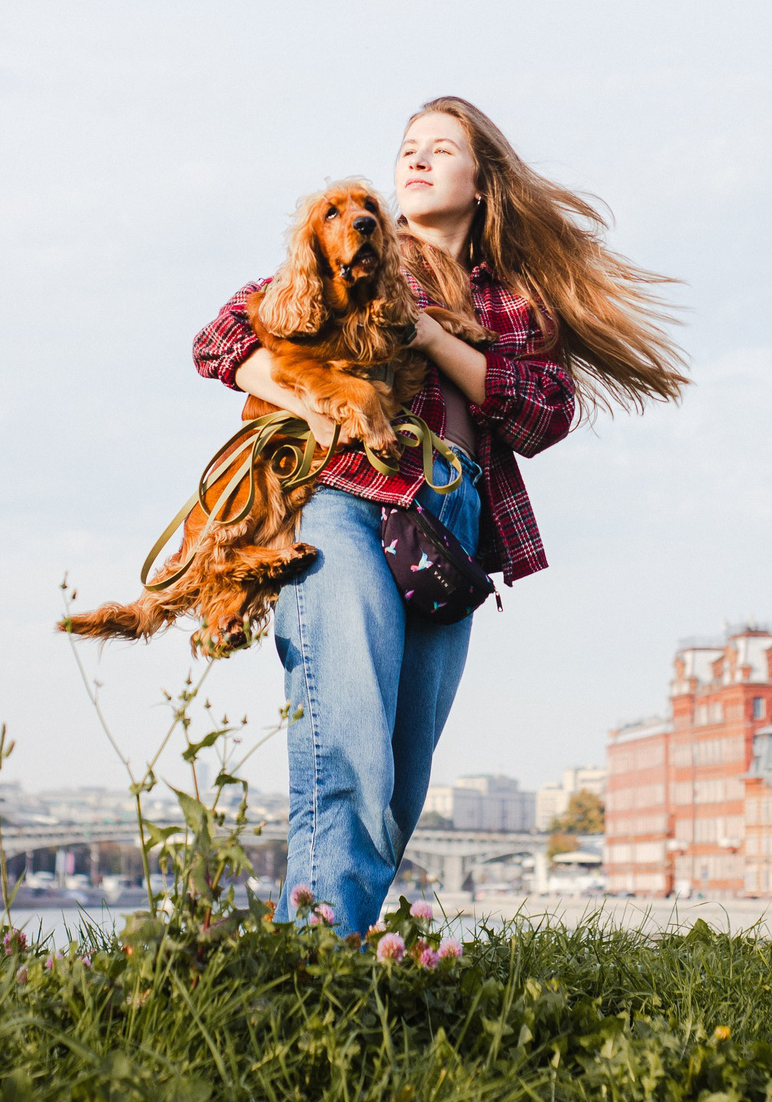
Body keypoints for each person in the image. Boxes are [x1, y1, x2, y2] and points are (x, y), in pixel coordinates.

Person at [191, 97, 687, 932]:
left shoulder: (518, 305)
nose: (416, 160)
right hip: (342, 502)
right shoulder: (355, 249)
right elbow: (221, 339)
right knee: (345, 745)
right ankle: (315, 975)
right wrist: (305, 399)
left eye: (441, 149)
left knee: (400, 782)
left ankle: (299, 957)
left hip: (447, 535)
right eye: (408, 148)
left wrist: (425, 335)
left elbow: (542, 415)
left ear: (482, 183)